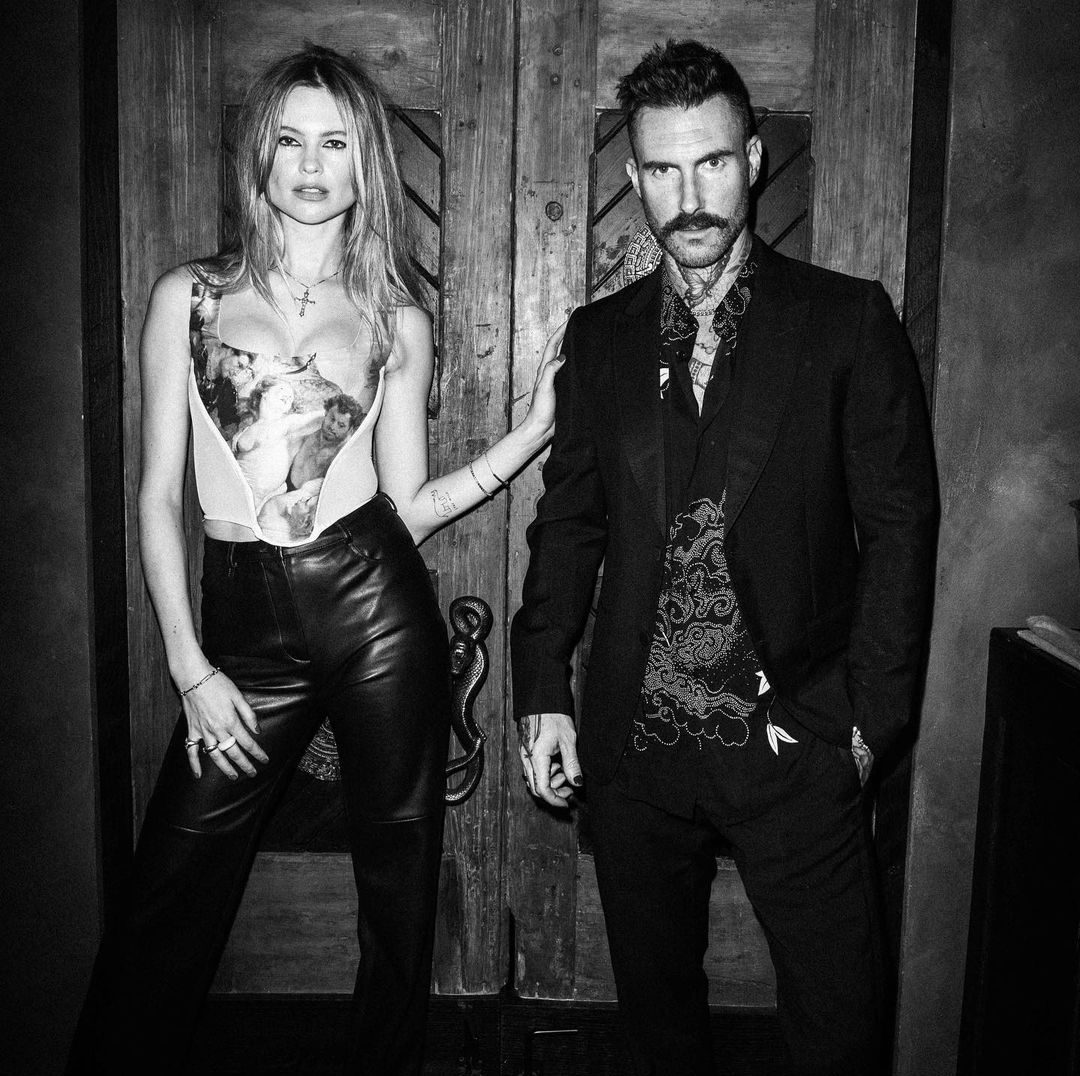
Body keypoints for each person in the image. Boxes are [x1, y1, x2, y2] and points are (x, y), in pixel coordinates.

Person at [69, 44, 563, 1075]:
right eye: (289, 139)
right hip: (242, 630)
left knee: (399, 880)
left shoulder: (395, 318)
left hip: (377, 610)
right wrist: (188, 667)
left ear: (363, 162)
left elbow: (408, 507)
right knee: (172, 883)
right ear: (260, 154)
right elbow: (158, 495)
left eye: (333, 143)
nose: (308, 164)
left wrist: (526, 437)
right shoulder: (189, 298)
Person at [510, 39, 937, 1076]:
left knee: (841, 1030)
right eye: (663, 169)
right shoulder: (600, 338)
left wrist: (865, 727)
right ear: (633, 176)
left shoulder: (846, 320)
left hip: (798, 738)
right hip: (637, 749)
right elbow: (570, 523)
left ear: (752, 159)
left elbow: (899, 529)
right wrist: (542, 685)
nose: (690, 196)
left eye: (711, 162)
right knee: (660, 1030)